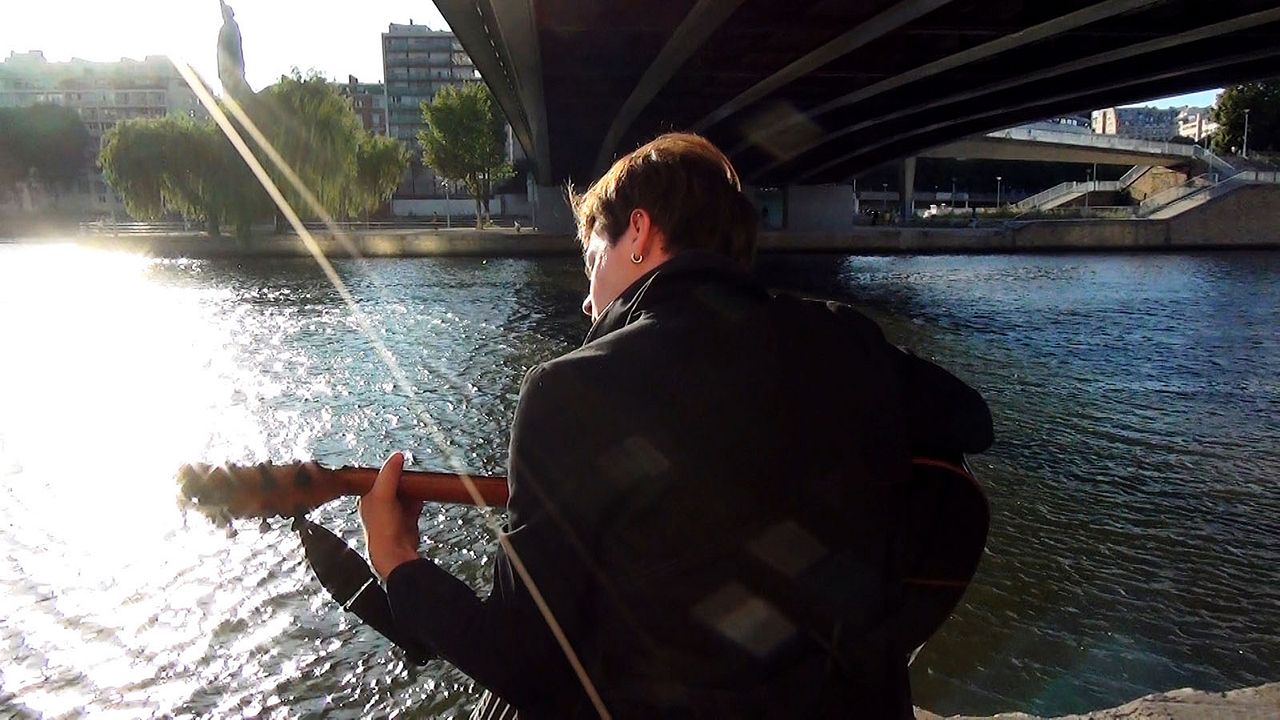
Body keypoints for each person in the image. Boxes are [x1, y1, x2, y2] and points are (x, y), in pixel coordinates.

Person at [360, 133, 993, 719]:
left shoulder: (568, 392)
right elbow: (970, 422)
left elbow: (525, 660)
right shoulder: (846, 339)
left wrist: (399, 564)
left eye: (591, 260)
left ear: (638, 231)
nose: (588, 298)